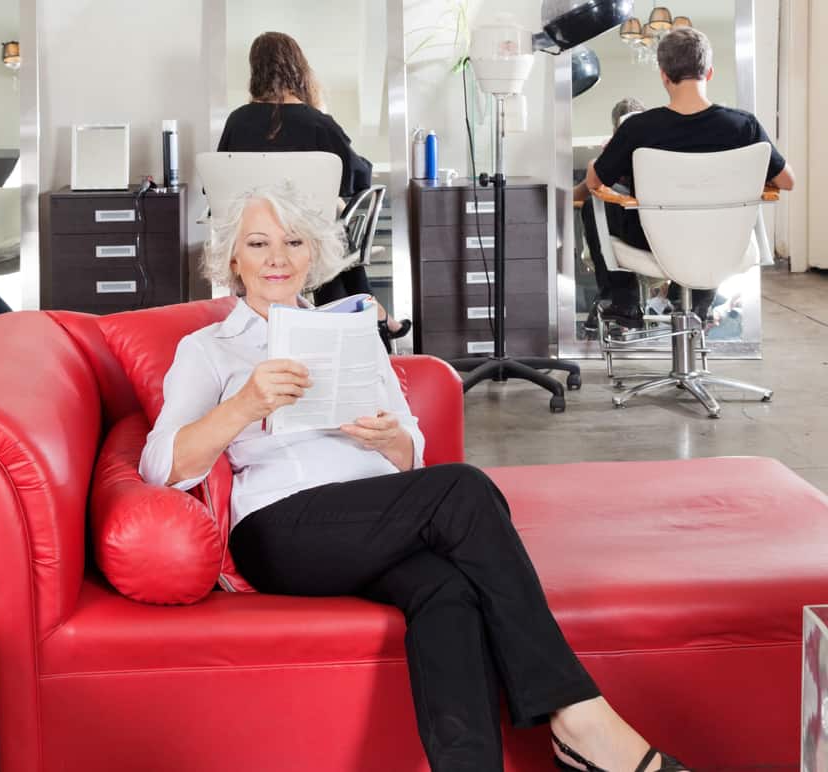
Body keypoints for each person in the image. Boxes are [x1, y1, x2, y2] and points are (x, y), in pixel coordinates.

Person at [139, 182, 688, 772]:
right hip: (284, 528)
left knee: (444, 590)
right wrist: (244, 405)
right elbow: (158, 466)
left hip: (375, 516)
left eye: (293, 242)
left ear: (312, 255)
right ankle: (577, 715)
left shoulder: (349, 331)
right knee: (465, 486)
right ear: (233, 260)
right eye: (258, 243)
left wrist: (389, 440)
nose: (277, 257)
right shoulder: (209, 348)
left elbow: (412, 448)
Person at [577, 27, 794, 330]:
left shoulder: (638, 129)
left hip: (654, 242)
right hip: (722, 242)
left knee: (592, 208)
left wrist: (592, 163)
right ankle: (698, 305)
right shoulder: (744, 127)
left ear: (664, 75)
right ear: (710, 73)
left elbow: (595, 183)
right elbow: (786, 182)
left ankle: (623, 302)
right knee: (711, 227)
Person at [217, 30, 411, 351]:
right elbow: (358, 177)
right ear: (298, 68)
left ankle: (372, 316)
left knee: (322, 228)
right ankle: (367, 316)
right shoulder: (317, 122)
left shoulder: (237, 121)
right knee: (329, 228)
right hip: (308, 244)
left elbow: (224, 182)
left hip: (253, 243)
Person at [574, 97, 646, 333]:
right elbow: (585, 189)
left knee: (595, 206)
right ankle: (617, 299)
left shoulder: (657, 145)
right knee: (594, 206)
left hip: (646, 230)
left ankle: (618, 299)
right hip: (632, 232)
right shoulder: (613, 149)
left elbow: (587, 189)